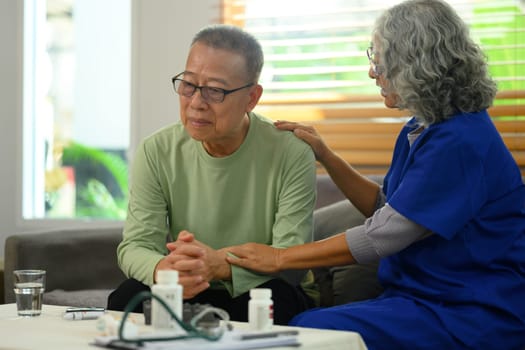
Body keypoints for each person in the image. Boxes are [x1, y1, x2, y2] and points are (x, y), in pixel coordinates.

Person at [223, 0, 525, 349]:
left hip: (472, 311)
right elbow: (388, 208)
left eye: (380, 62)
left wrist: (279, 257)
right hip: (423, 299)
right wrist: (327, 155)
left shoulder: (461, 142)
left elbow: (385, 234)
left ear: (416, 67)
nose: (372, 73)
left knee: (311, 331)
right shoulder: (424, 127)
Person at [107, 24, 317, 325]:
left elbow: (291, 258)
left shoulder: (291, 151)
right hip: (187, 287)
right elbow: (136, 246)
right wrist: (165, 269)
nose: (196, 103)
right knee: (125, 299)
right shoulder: (157, 150)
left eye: (215, 91)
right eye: (188, 85)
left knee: (275, 299)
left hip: (260, 289)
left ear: (252, 98)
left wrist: (219, 265)